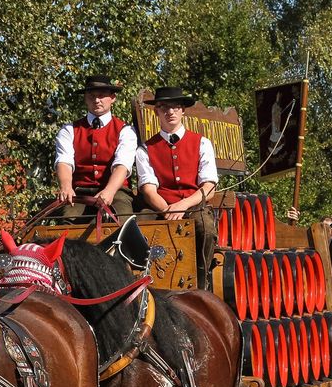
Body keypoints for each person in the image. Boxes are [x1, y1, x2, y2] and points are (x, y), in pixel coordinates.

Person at [135, 86, 219, 281]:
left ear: (182, 110)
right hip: (158, 207)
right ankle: (143, 282)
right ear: (156, 111)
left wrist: (183, 205)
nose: (169, 112)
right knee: (137, 228)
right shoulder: (145, 149)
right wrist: (168, 211)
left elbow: (209, 187)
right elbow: (148, 190)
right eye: (164, 107)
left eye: (174, 107)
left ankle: (200, 280)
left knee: (205, 227)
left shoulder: (202, 143)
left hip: (193, 205)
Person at [53, 75, 137, 219]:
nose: (97, 100)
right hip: (80, 192)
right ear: (85, 98)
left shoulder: (126, 131)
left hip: (116, 191)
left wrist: (109, 191)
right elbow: (64, 161)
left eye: (102, 96)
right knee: (68, 221)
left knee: (122, 221)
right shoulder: (68, 130)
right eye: (92, 96)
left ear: (113, 98)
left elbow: (122, 165)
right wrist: (66, 186)